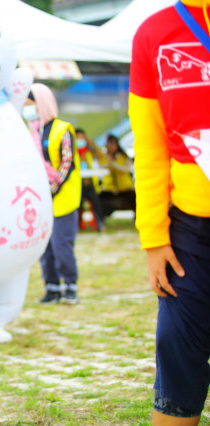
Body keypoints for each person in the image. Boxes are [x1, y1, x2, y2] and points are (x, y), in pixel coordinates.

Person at [129, 0, 210, 423]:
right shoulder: (154, 33)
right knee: (178, 344)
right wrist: (154, 237)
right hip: (190, 230)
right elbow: (149, 147)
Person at [23, 83, 81, 304]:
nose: (27, 108)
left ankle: (70, 286)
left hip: (63, 198)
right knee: (45, 249)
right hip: (41, 201)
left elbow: (67, 163)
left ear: (41, 103)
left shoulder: (63, 129)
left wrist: (51, 190)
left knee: (61, 245)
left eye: (30, 103)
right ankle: (52, 288)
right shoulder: (32, 131)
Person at [93, 134, 136, 219]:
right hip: (108, 189)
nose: (111, 146)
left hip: (125, 188)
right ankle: (100, 222)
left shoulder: (123, 157)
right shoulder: (103, 157)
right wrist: (109, 163)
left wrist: (113, 164)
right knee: (97, 200)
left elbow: (126, 169)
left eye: (113, 143)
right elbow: (99, 167)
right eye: (109, 143)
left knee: (135, 199)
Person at [75, 128, 106, 231]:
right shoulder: (73, 152)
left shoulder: (89, 152)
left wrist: (90, 142)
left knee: (97, 203)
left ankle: (100, 224)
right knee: (77, 205)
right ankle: (76, 226)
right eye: (77, 137)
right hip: (78, 184)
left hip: (89, 183)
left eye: (82, 137)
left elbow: (101, 154)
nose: (80, 140)